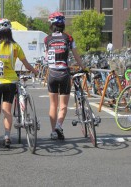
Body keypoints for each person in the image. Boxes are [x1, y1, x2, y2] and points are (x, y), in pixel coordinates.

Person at [0, 18, 38, 148]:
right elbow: (26, 64)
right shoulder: (15, 46)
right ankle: (7, 136)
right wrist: (34, 71)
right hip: (10, 82)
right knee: (7, 110)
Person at [44, 12, 85, 140]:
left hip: (52, 73)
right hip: (64, 74)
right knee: (63, 106)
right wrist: (83, 67)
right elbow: (76, 55)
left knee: (53, 105)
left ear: (52, 25)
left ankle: (53, 131)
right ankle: (59, 125)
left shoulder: (47, 39)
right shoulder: (69, 38)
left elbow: (45, 59)